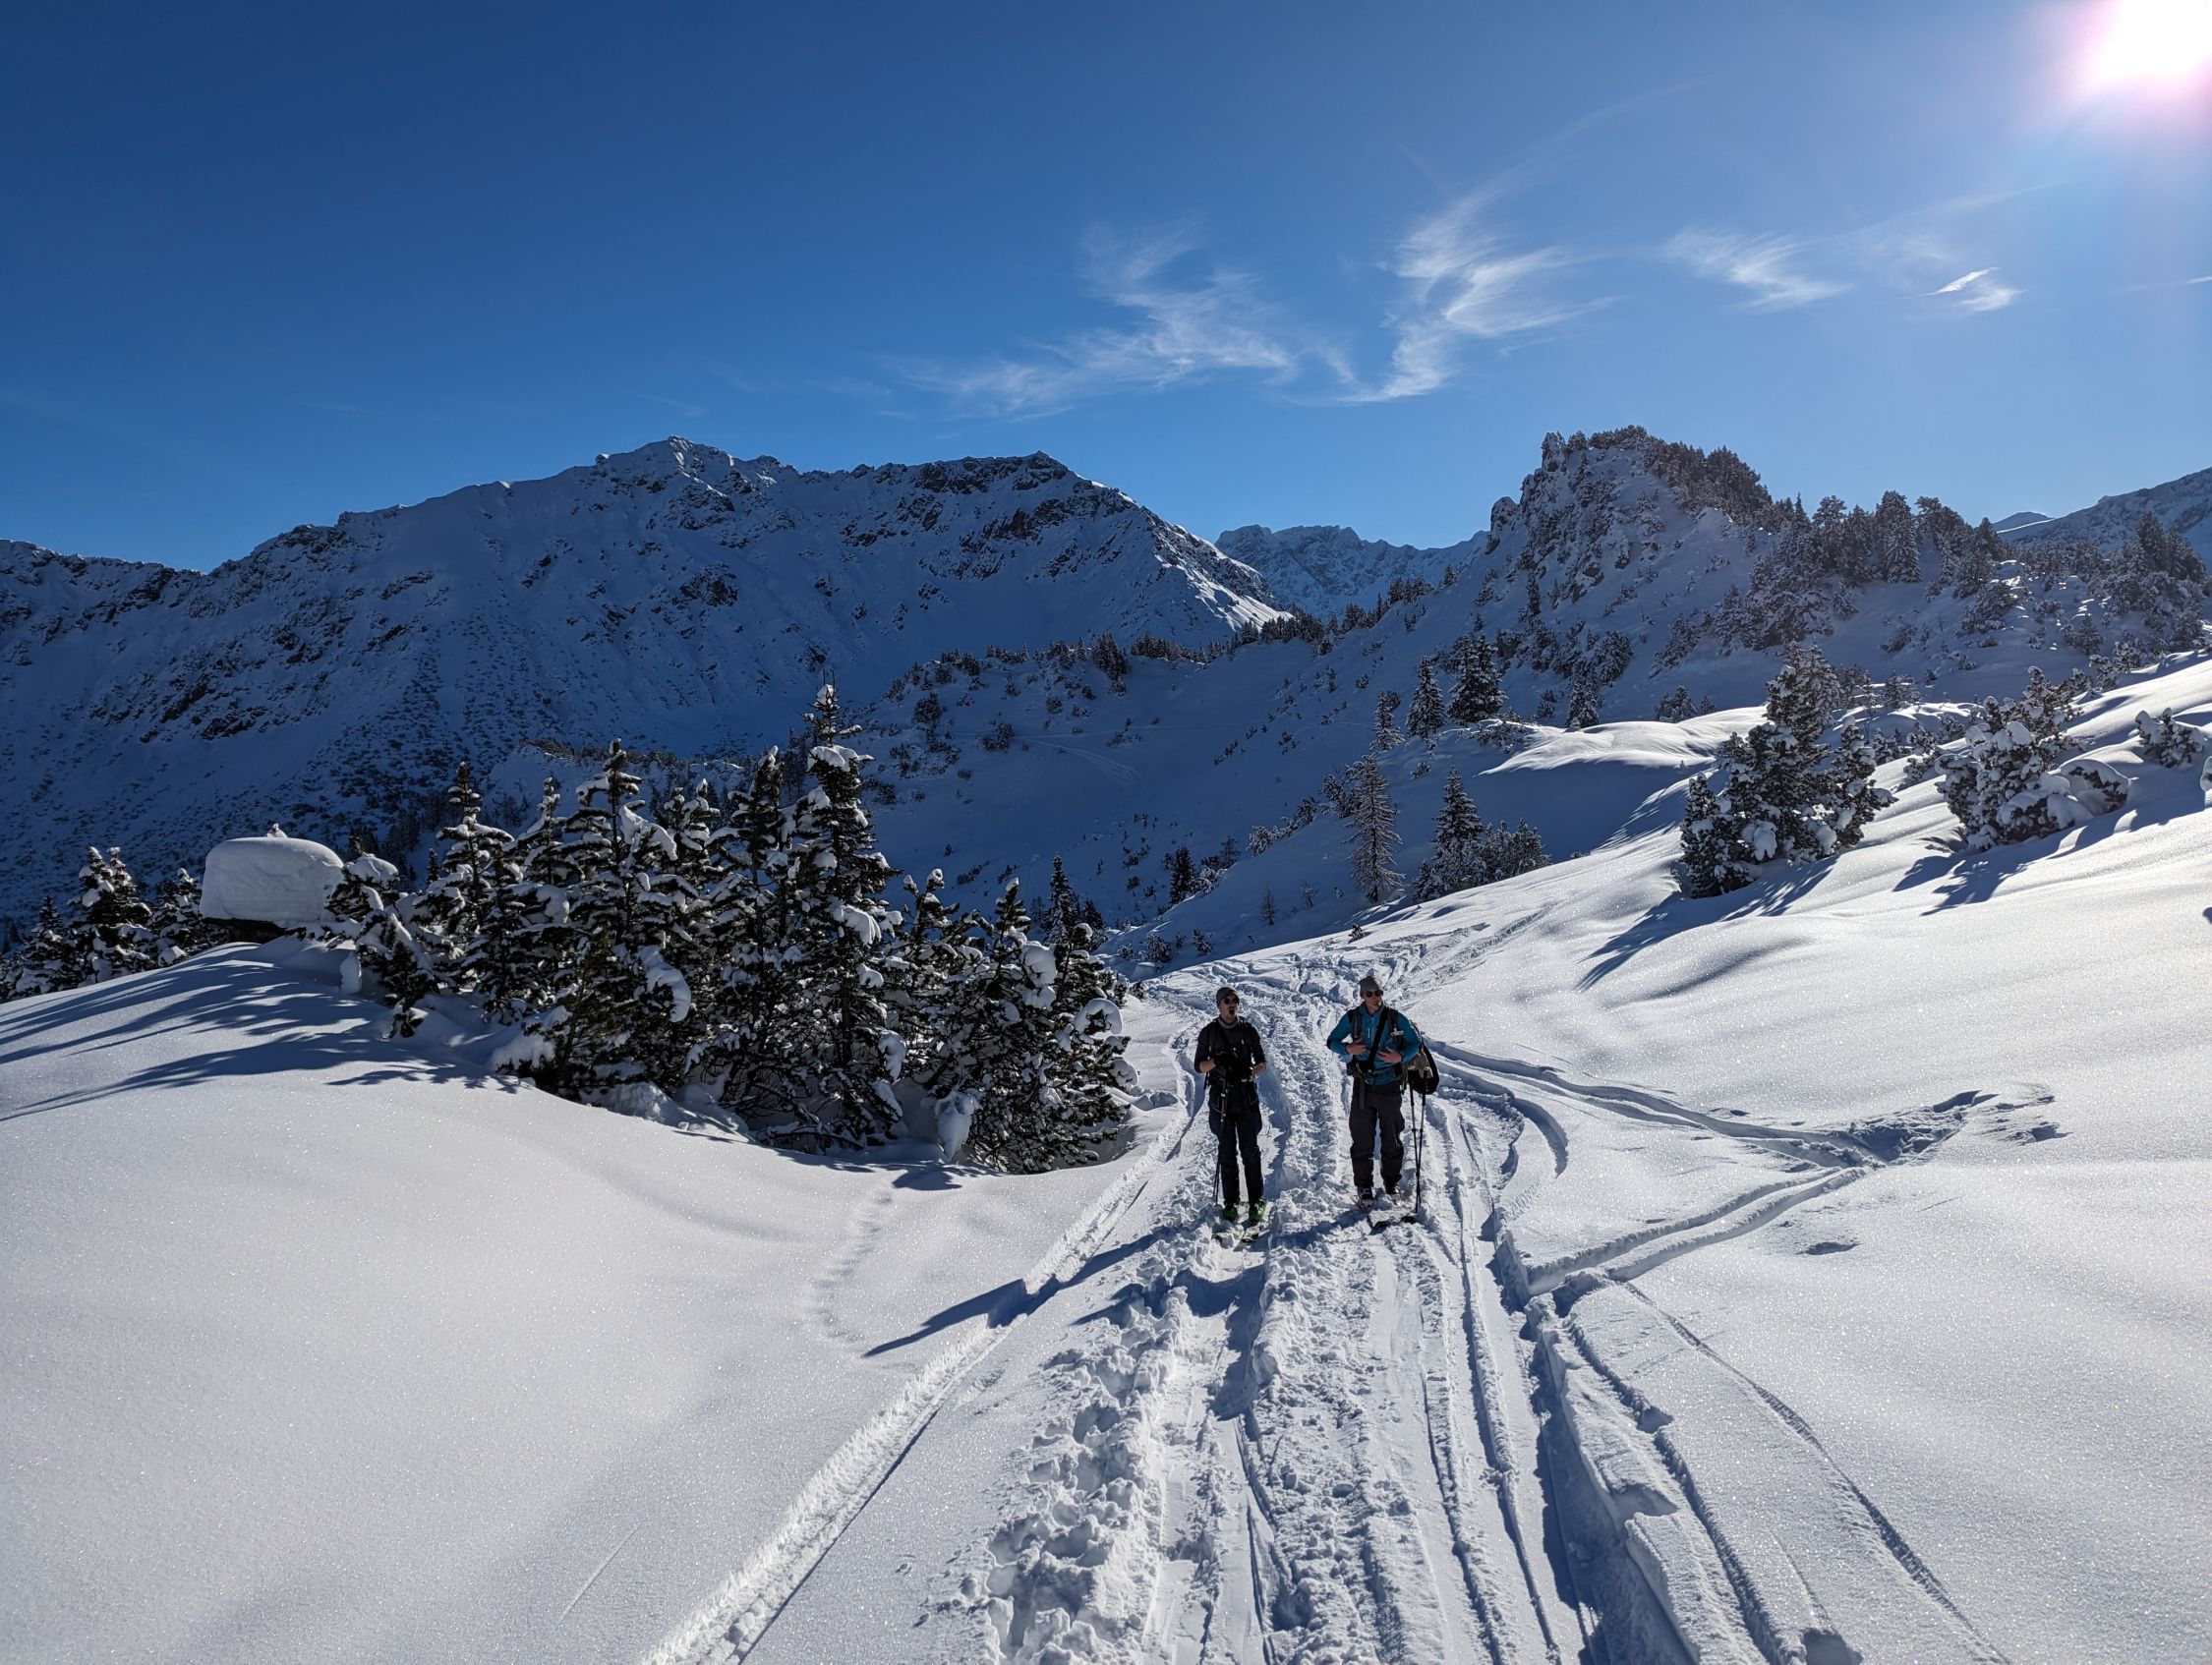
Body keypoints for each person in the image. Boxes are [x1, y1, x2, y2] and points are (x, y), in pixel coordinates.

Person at [1325, 972, 1423, 1208]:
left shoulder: (1395, 1017)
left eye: (1378, 992)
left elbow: (1415, 1042)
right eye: (1369, 993)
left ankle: (1391, 1183)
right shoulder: (1352, 1018)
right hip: (1363, 1085)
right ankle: (1364, 1186)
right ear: (1362, 996)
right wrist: (1348, 1049)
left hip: (1389, 1083)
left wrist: (1400, 1056)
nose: (1375, 997)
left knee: (1391, 1137)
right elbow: (1331, 1041)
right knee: (1362, 1138)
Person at [1193, 984, 1268, 1227]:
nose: (1232, 1004)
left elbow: (1262, 1062)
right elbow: (1199, 1066)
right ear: (1219, 1005)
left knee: (1250, 1150)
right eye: (1227, 1000)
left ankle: (1256, 1200)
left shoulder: (1248, 1030)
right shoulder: (1209, 1033)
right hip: (1221, 1099)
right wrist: (1216, 1061)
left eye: (1234, 1000)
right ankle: (1231, 1202)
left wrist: (1249, 1072)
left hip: (1245, 1097)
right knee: (1226, 1151)